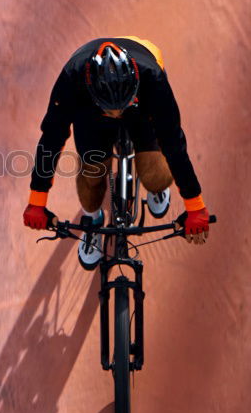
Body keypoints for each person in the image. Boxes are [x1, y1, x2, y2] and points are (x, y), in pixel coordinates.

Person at [21, 37, 210, 267]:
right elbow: (52, 137)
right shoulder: (72, 79)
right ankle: (93, 220)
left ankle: (156, 185)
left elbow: (174, 143)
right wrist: (36, 201)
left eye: (121, 107)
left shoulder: (153, 78)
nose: (117, 114)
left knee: (156, 176)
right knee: (91, 183)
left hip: (140, 109)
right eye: (112, 110)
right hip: (91, 114)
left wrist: (195, 205)